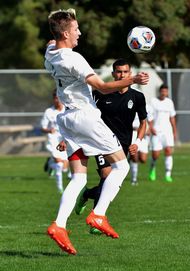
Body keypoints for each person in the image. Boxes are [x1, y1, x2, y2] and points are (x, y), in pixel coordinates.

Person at [44, 8, 149, 255]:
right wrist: (132, 80)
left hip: (67, 120)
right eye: (76, 29)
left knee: (79, 177)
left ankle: (59, 225)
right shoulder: (74, 59)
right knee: (122, 167)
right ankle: (99, 215)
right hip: (85, 118)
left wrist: (63, 15)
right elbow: (102, 87)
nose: (80, 32)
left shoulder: (51, 53)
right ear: (66, 33)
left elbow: (52, 38)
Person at [75, 58, 147, 229]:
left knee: (110, 184)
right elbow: (84, 115)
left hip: (122, 146)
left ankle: (87, 194)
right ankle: (96, 221)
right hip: (100, 142)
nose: (122, 74)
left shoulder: (137, 97)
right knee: (106, 177)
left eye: (125, 72)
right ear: (113, 73)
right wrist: (69, 138)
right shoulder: (100, 93)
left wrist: (137, 142)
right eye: (118, 72)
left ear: (130, 73)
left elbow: (144, 122)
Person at [41, 90, 70, 193]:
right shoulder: (49, 111)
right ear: (53, 99)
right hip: (53, 139)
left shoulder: (67, 110)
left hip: (64, 139)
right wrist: (49, 130)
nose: (57, 100)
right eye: (55, 98)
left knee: (65, 168)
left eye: (59, 98)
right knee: (59, 164)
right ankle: (60, 189)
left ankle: (50, 164)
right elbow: (42, 128)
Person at [149, 84, 177, 182]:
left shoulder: (169, 102)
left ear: (167, 92)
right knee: (155, 154)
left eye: (166, 91)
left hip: (167, 131)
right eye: (162, 91)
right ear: (160, 92)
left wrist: (174, 131)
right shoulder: (153, 101)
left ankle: (168, 174)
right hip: (156, 131)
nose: (164, 93)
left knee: (168, 151)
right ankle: (152, 168)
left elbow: (172, 117)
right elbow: (150, 116)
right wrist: (151, 127)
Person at [129, 104, 153, 185]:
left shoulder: (145, 108)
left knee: (143, 159)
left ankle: (129, 158)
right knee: (135, 158)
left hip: (143, 134)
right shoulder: (129, 105)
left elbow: (149, 120)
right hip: (133, 133)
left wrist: (149, 129)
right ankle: (134, 180)